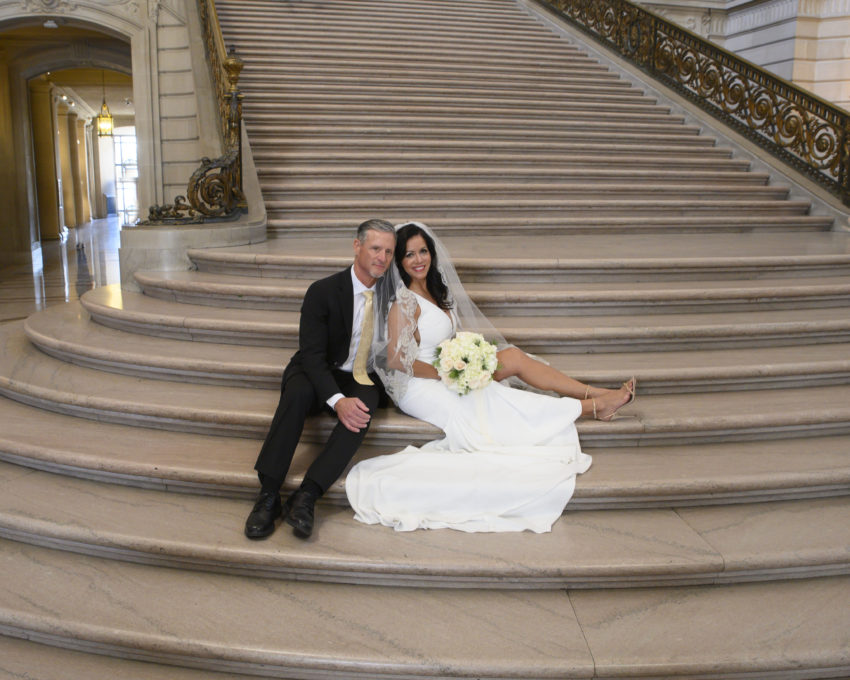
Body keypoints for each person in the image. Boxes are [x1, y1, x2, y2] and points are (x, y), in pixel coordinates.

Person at [345, 222, 635, 533]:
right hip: (420, 384)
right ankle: (593, 408)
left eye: (423, 251)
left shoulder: (435, 290)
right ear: (399, 262)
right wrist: (446, 374)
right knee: (492, 397)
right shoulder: (405, 302)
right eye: (409, 255)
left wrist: (471, 358)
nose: (419, 260)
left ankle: (591, 392)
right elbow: (396, 360)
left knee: (513, 357)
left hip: (447, 369)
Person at [245, 219, 396, 540]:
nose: (382, 257)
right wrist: (336, 400)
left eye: (388, 251)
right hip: (316, 369)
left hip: (359, 375)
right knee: (297, 393)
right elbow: (311, 356)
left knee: (363, 411)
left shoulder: (393, 295)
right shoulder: (323, 291)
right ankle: (268, 495)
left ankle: (308, 495)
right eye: (375, 248)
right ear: (357, 247)